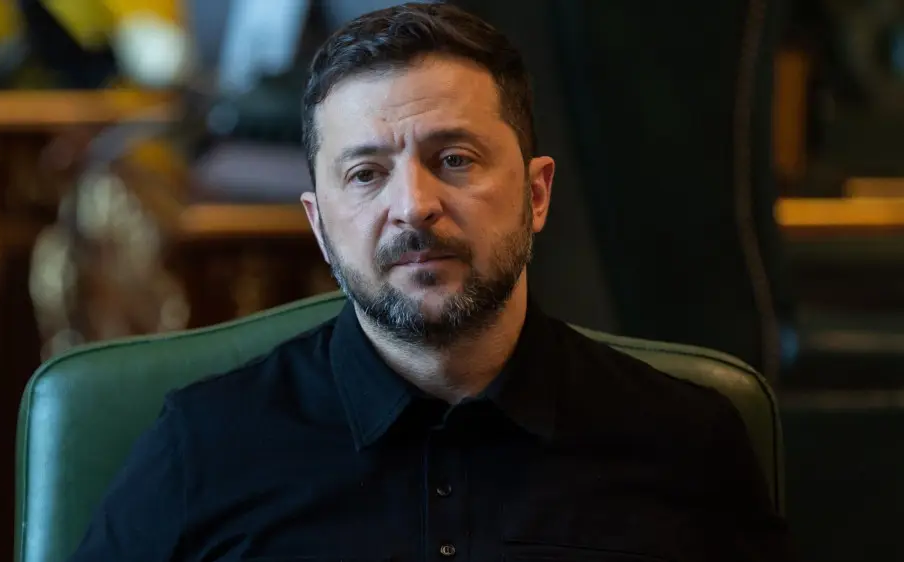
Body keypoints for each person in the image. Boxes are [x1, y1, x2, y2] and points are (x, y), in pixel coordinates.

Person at [68, 3, 791, 561]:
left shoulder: (685, 444)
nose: (413, 206)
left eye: (455, 160)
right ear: (319, 226)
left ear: (537, 194)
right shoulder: (202, 448)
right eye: (366, 174)